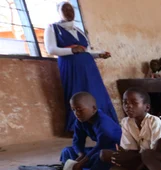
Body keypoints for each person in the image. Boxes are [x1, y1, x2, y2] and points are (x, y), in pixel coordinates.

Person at [44, 1, 117, 133]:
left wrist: (100, 54)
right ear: (59, 12)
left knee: (95, 93)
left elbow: (86, 51)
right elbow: (51, 49)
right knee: (76, 93)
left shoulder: (79, 30)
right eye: (65, 10)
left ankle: (103, 124)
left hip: (89, 68)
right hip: (71, 67)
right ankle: (77, 128)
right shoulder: (52, 28)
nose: (69, 12)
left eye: (71, 10)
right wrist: (71, 51)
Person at [99, 88, 161, 170]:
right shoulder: (126, 122)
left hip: (155, 159)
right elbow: (130, 149)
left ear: (147, 107)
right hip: (139, 158)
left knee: (146, 160)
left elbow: (157, 151)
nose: (128, 106)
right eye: (125, 102)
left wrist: (130, 157)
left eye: (134, 103)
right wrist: (120, 155)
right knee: (109, 163)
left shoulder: (154, 122)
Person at [60, 92, 121, 170]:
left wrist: (81, 162)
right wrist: (80, 154)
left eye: (80, 110)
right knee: (67, 151)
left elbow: (100, 146)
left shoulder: (104, 124)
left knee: (101, 157)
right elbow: (77, 141)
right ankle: (78, 169)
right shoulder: (80, 121)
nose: (76, 113)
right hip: (95, 151)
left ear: (94, 108)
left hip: (110, 151)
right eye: (73, 110)